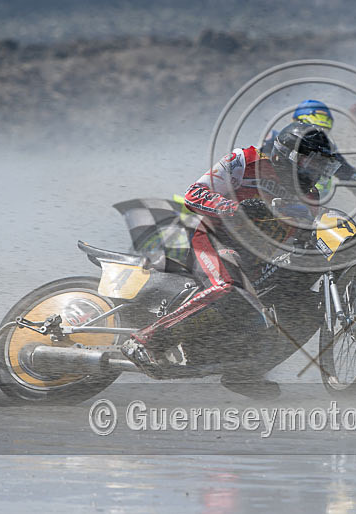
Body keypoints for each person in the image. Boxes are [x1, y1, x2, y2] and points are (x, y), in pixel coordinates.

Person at [121, 122, 341, 384]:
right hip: (214, 240)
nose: (316, 172)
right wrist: (234, 208)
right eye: (311, 162)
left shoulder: (311, 197)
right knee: (229, 286)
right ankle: (145, 340)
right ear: (287, 154)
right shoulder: (244, 160)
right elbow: (194, 195)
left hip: (258, 262)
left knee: (305, 309)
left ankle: (244, 374)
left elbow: (298, 236)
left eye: (322, 166)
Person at [260, 100, 356, 194]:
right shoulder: (276, 139)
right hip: (271, 189)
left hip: (308, 200)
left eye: (322, 131)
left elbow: (347, 173)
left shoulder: (327, 148)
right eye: (312, 130)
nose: (316, 137)